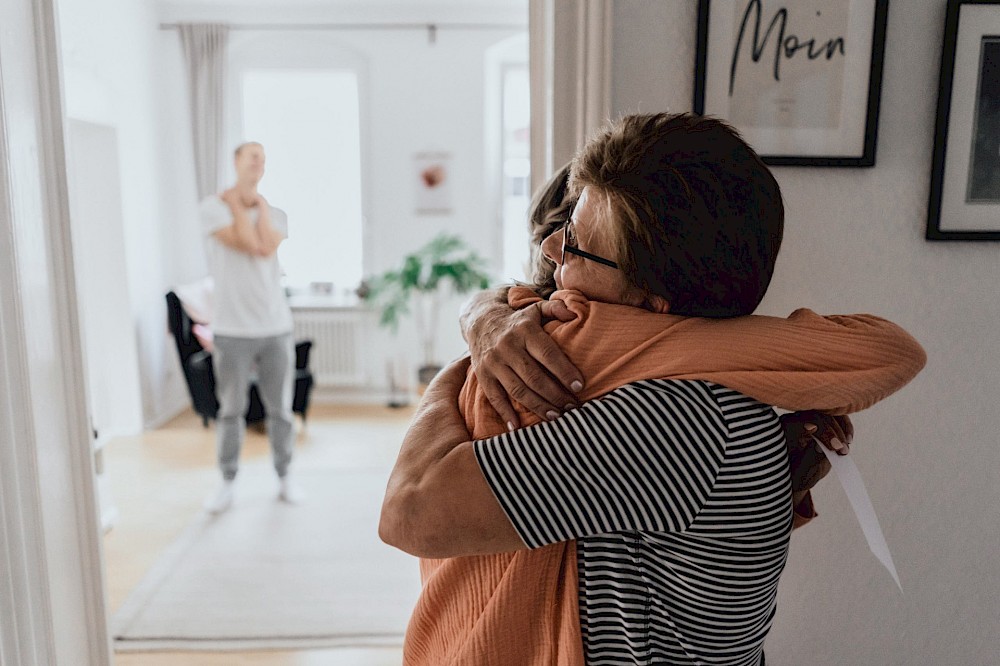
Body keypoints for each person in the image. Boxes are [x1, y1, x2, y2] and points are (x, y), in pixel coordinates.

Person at [380, 113, 926, 665]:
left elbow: (407, 513)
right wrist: (484, 318)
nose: (549, 251)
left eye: (575, 244)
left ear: (651, 302)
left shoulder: (672, 418)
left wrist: (469, 359)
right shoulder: (707, 389)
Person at [200, 141, 302, 514]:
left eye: (262, 157)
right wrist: (234, 206)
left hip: (275, 326)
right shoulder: (212, 209)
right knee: (230, 409)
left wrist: (250, 204)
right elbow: (243, 241)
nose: (258, 162)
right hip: (231, 329)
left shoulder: (275, 213)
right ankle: (227, 482)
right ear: (236, 162)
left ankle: (285, 475)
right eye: (251, 156)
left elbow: (261, 246)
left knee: (281, 409)